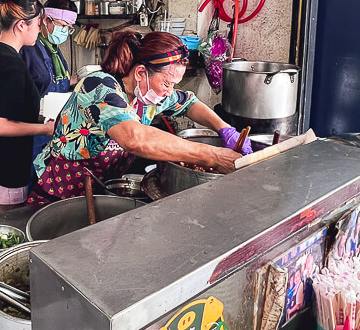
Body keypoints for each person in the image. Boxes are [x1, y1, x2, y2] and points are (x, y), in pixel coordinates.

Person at [28, 30, 251, 204]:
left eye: (174, 85)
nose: (169, 91)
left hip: (100, 191)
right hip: (58, 193)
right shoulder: (100, 86)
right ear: (141, 73)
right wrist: (213, 156)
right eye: (166, 83)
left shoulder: (150, 96)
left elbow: (189, 103)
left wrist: (224, 129)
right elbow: (135, 138)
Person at [0, 0, 55, 213]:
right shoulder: (12, 64)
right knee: (7, 231)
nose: (39, 30)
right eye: (38, 24)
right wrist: (45, 128)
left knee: (0, 228)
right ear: (21, 26)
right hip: (4, 166)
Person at [20, 0, 77, 174]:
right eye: (63, 26)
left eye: (69, 28)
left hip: (53, 128)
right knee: (32, 177)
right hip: (33, 130)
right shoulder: (29, 48)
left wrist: (80, 79)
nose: (65, 32)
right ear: (46, 20)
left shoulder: (54, 50)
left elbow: (55, 81)